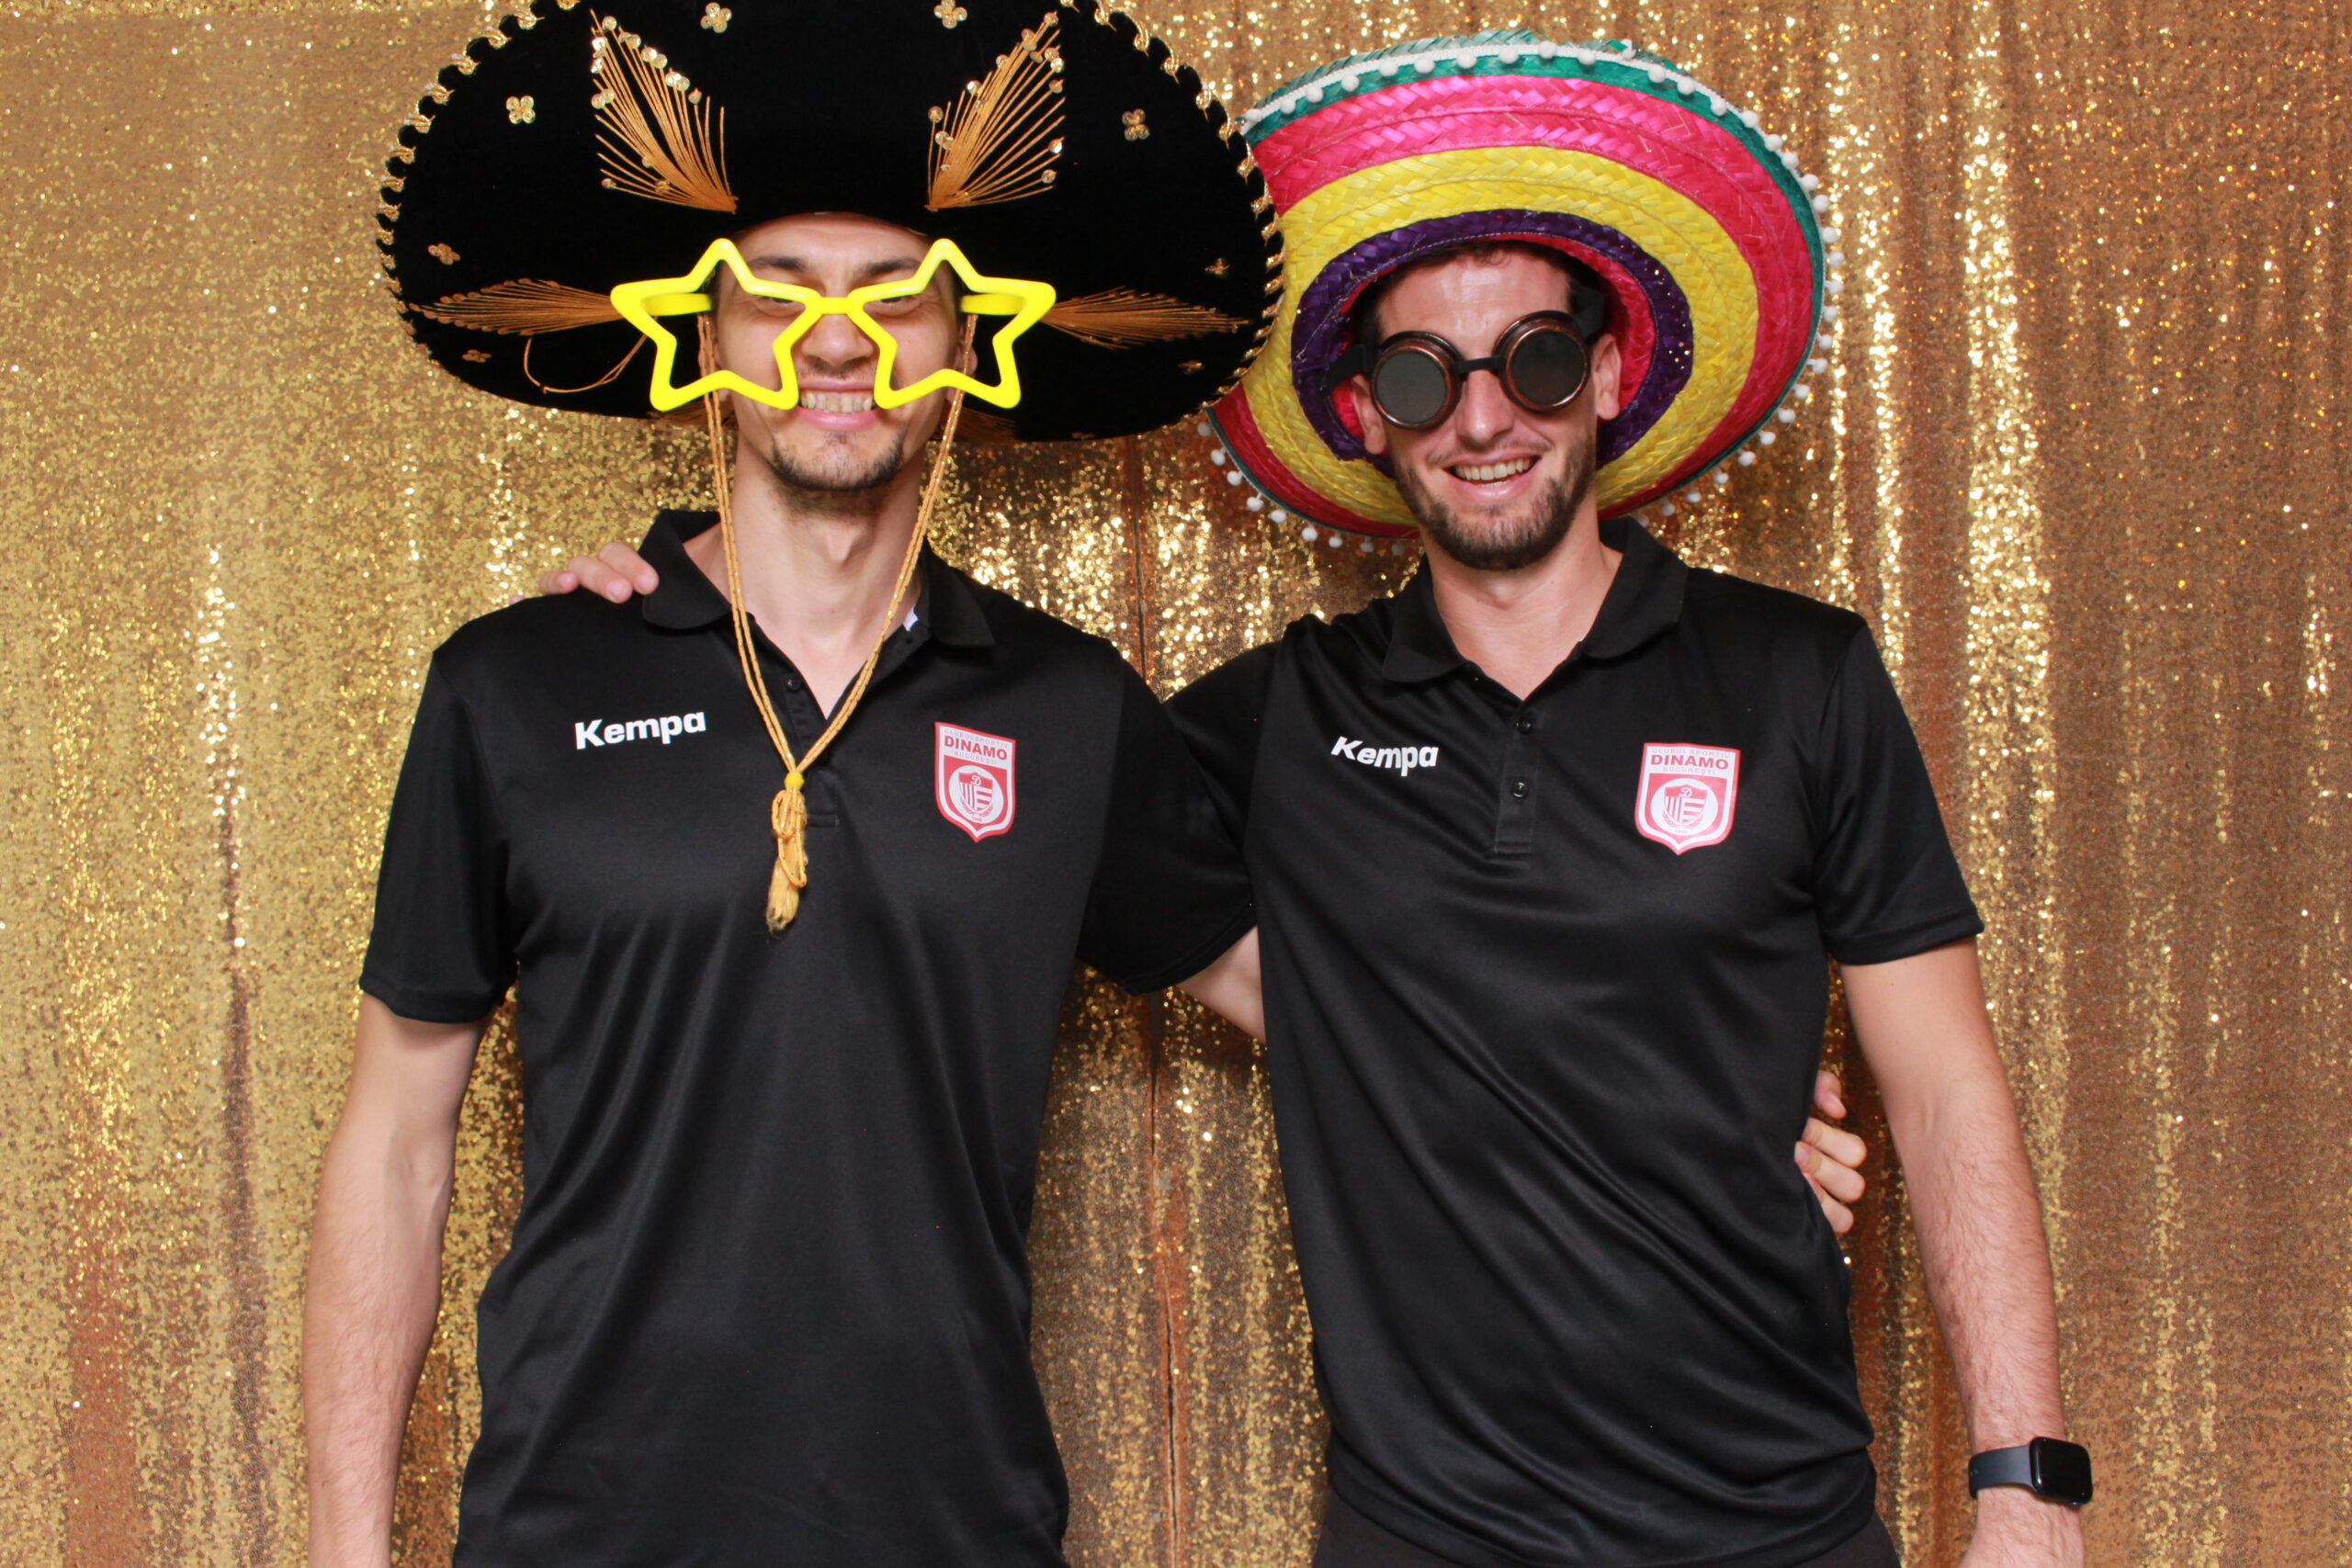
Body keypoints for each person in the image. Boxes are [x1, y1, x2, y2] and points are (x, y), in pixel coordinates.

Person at [302, 5, 1279, 1565]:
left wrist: (1668, 1098)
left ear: (964, 348)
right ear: (707, 337)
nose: (839, 341)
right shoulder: (516, 685)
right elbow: (396, 1143)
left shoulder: (1066, 708)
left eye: (897, 293)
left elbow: (1332, 1016)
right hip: (585, 1534)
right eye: (780, 291)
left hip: (950, 1533)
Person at [1176, 36, 2089, 1568]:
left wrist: (2028, 1485)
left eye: (1534, 360)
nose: (1483, 420)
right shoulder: (1292, 713)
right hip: (1424, 1537)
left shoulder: (1800, 676)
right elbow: (1017, 813)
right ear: (1365, 413)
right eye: (1423, 376)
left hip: (1772, 1527)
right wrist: (1366, 1020)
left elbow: (1943, 1090)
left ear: (1607, 374)